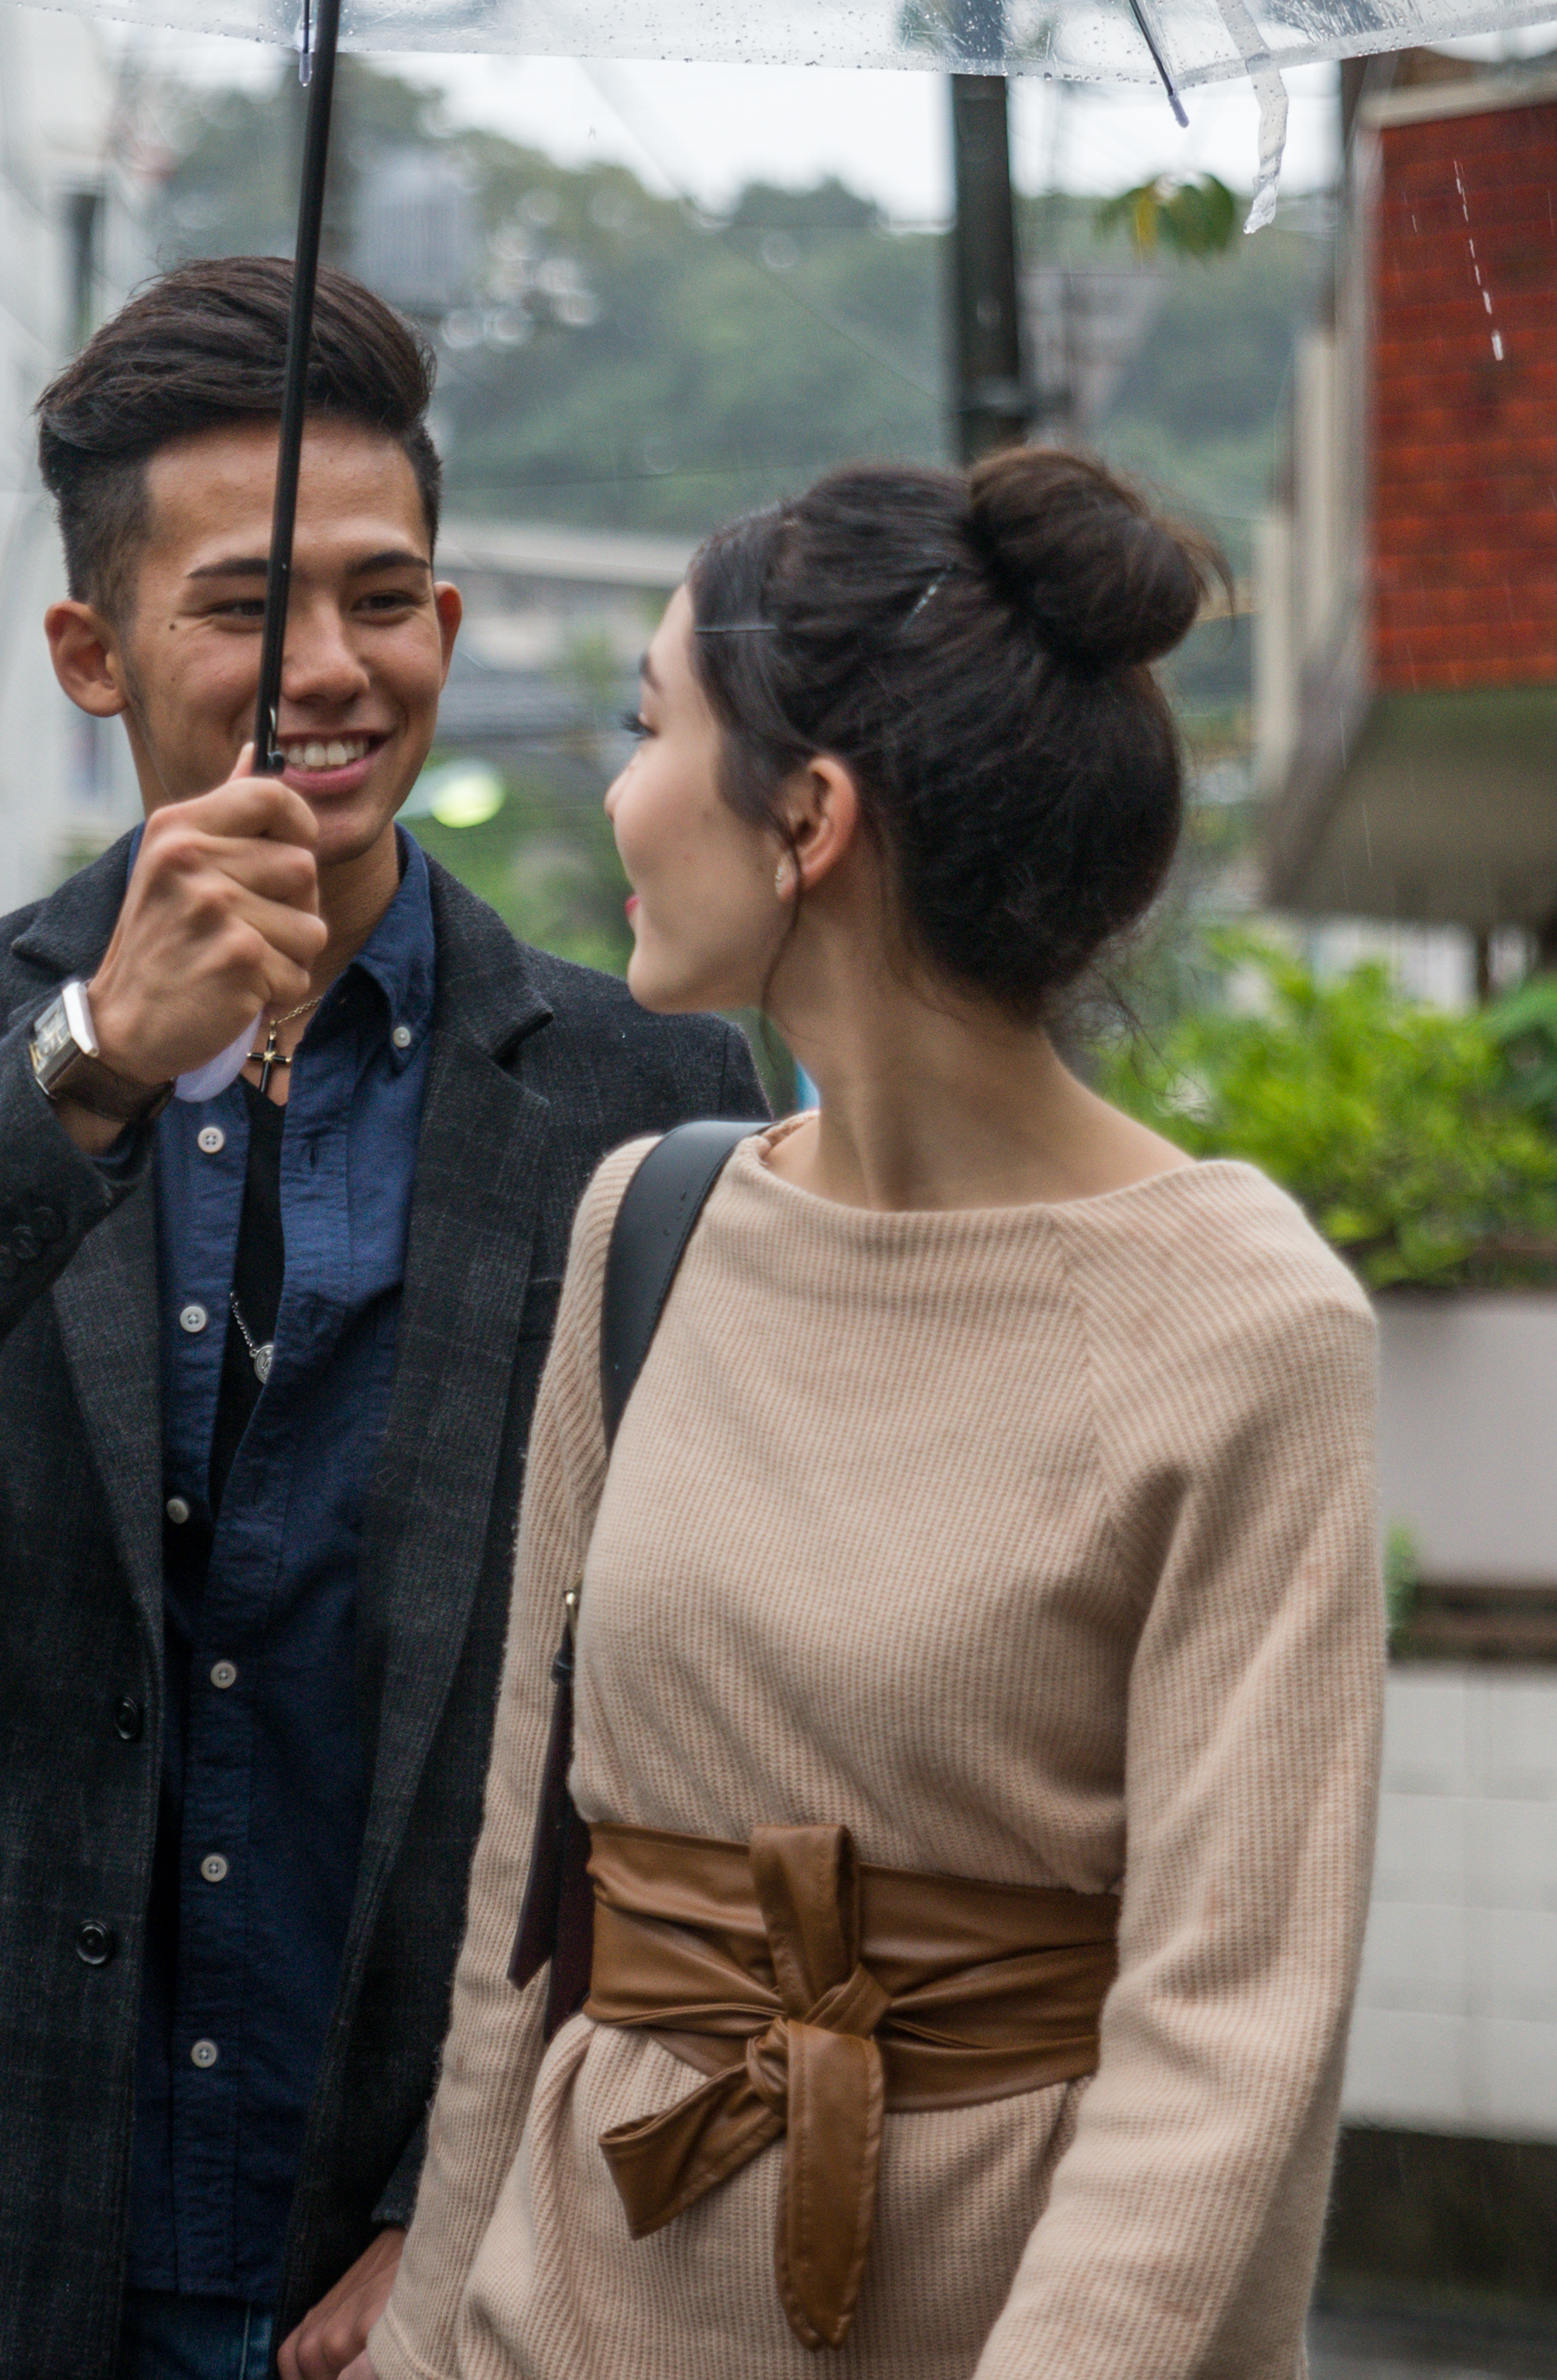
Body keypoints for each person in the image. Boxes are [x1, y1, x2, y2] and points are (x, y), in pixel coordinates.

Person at [0, 259, 763, 2380]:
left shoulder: (654, 1093)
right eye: (247, 605)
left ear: (448, 624)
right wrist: (84, 1059)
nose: (329, 670)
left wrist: (455, 2204)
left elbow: (681, 1710)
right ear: (93, 649)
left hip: (390, 2224)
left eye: (383, 598)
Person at [364, 449, 1384, 2379]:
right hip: (576, 2307)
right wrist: (427, 2344)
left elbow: (1227, 2030)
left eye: (650, 725)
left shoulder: (1242, 1327)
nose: (616, 790)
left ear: (806, 816)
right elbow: (531, 1877)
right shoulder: (646, 1224)